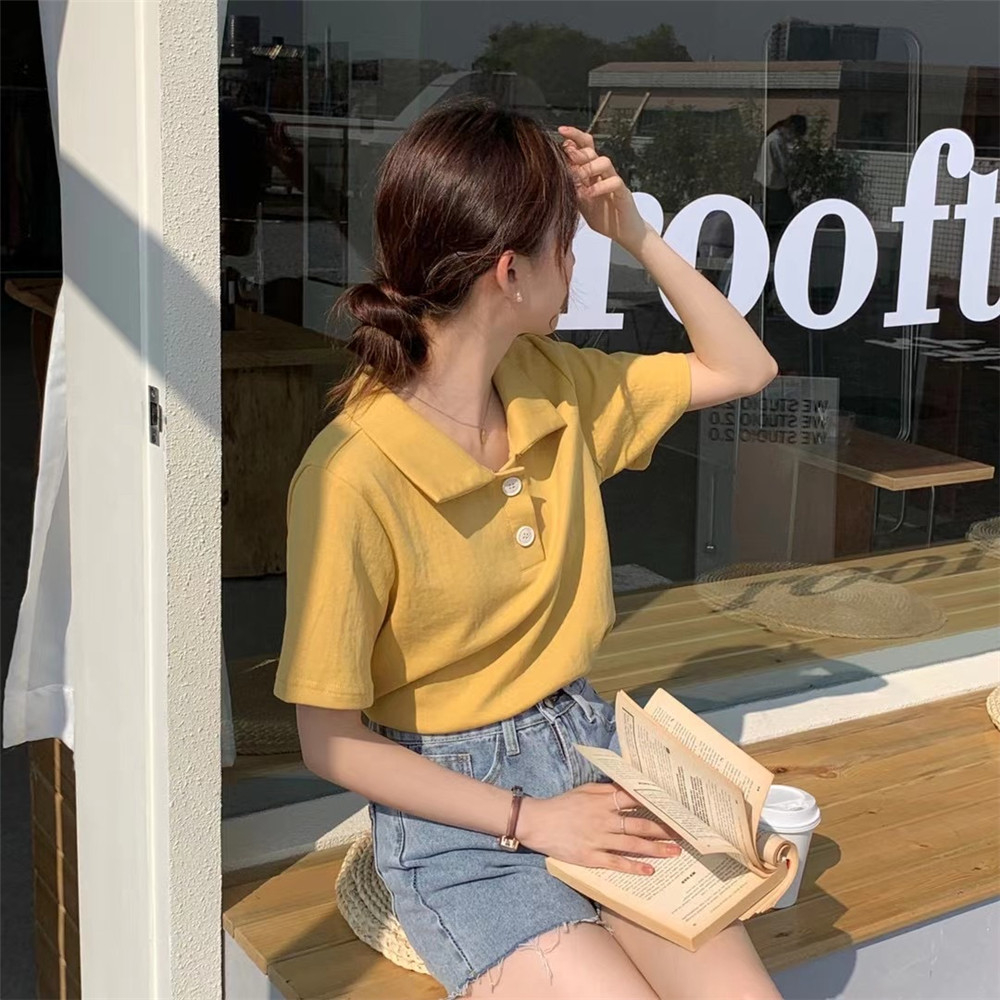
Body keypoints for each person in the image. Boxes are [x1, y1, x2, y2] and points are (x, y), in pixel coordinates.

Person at [274, 98, 781, 1000]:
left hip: (591, 754)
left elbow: (744, 367)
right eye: (570, 244)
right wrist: (530, 819)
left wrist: (637, 233)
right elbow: (331, 742)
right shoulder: (353, 474)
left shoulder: (552, 385)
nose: (578, 262)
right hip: (459, 816)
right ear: (511, 272)